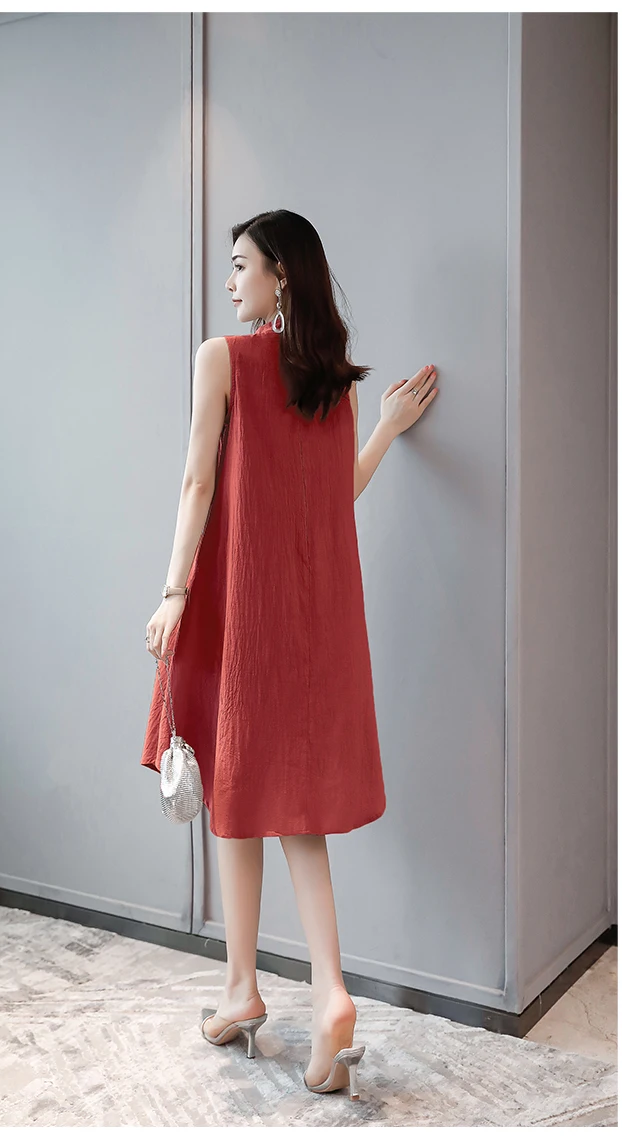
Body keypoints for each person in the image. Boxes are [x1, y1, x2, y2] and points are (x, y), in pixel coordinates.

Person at [140, 210, 438, 1097]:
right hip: (310, 626)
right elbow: (338, 493)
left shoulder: (222, 359)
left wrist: (173, 592)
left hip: (240, 613)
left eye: (241, 266)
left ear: (280, 277)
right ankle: (306, 991)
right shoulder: (332, 385)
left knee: (240, 787)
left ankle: (259, 990)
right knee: (280, 809)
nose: (230, 281)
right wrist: (384, 429)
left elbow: (197, 480)